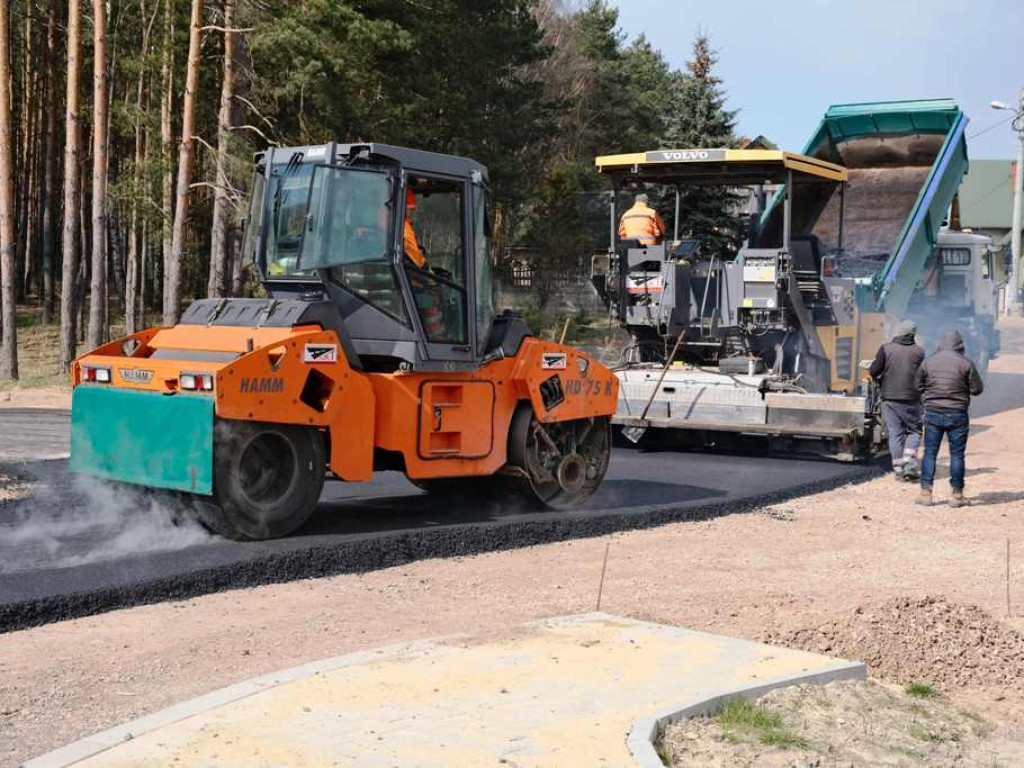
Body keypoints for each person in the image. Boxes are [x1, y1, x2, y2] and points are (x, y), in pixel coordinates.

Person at [914, 329, 984, 508]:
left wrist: (928, 396)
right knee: (957, 455)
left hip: (933, 412)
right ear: (960, 345)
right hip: (957, 414)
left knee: (930, 453)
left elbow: (917, 385)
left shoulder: (929, 362)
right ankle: (957, 495)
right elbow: (977, 389)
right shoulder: (966, 363)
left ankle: (926, 493)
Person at [868, 320, 925, 481]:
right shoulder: (919, 352)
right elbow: (922, 376)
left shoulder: (885, 349)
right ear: (913, 335)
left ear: (898, 332)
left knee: (895, 435)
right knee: (914, 432)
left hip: (889, 399)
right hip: (912, 399)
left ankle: (899, 470)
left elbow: (874, 371)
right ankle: (910, 466)